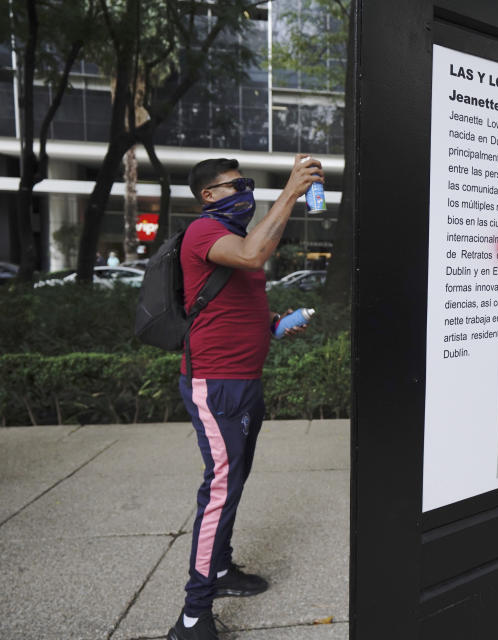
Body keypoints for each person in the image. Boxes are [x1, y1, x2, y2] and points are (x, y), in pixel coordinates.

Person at [167, 155, 323, 640]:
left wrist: (277, 323)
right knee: (219, 491)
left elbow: (237, 300)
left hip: (244, 381)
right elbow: (255, 255)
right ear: (208, 195)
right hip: (215, 385)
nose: (246, 192)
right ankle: (193, 616)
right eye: (237, 185)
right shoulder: (203, 232)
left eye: (249, 184)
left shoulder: (234, 238)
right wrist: (291, 193)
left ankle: (220, 569)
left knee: (232, 484)